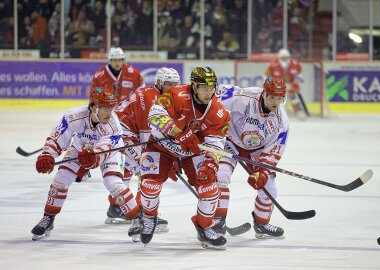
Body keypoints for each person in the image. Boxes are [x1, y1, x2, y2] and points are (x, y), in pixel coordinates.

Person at [128, 66, 230, 249]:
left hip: (191, 151)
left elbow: (216, 142)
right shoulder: (175, 94)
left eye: (212, 87)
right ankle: (150, 217)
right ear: (194, 86)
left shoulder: (219, 112)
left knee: (210, 187)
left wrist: (211, 162)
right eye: (204, 87)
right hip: (161, 145)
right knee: (149, 185)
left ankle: (204, 227)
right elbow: (155, 116)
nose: (209, 92)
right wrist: (179, 133)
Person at [31, 86, 141, 241]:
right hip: (80, 147)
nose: (110, 113)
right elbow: (58, 136)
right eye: (106, 109)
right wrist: (47, 154)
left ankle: (137, 219)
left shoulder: (113, 124)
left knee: (113, 183)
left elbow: (108, 147)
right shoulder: (73, 116)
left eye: (112, 109)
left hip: (109, 153)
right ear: (94, 107)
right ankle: (48, 218)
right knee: (61, 178)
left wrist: (94, 158)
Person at [105, 68, 181, 235]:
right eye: (169, 84)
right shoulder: (147, 96)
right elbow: (147, 133)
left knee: (129, 168)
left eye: (176, 85)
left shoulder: (175, 99)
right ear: (159, 83)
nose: (173, 88)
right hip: (123, 134)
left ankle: (115, 207)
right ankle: (144, 212)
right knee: (147, 169)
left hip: (137, 136)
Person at [213, 76, 288, 239]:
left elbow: (274, 150)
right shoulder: (245, 98)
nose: (276, 102)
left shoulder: (282, 122)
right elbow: (214, 97)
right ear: (265, 94)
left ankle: (261, 224)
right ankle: (217, 222)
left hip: (257, 152)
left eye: (280, 98)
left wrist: (262, 171)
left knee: (269, 187)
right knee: (220, 176)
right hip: (230, 141)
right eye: (273, 97)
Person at [265, 48, 309, 118]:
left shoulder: (295, 64)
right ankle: (278, 115)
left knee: (294, 98)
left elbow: (299, 75)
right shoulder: (273, 65)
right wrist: (269, 84)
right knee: (278, 100)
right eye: (283, 57)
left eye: (286, 57)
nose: (284, 58)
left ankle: (299, 112)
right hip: (278, 86)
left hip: (290, 84)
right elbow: (267, 76)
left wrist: (298, 80)